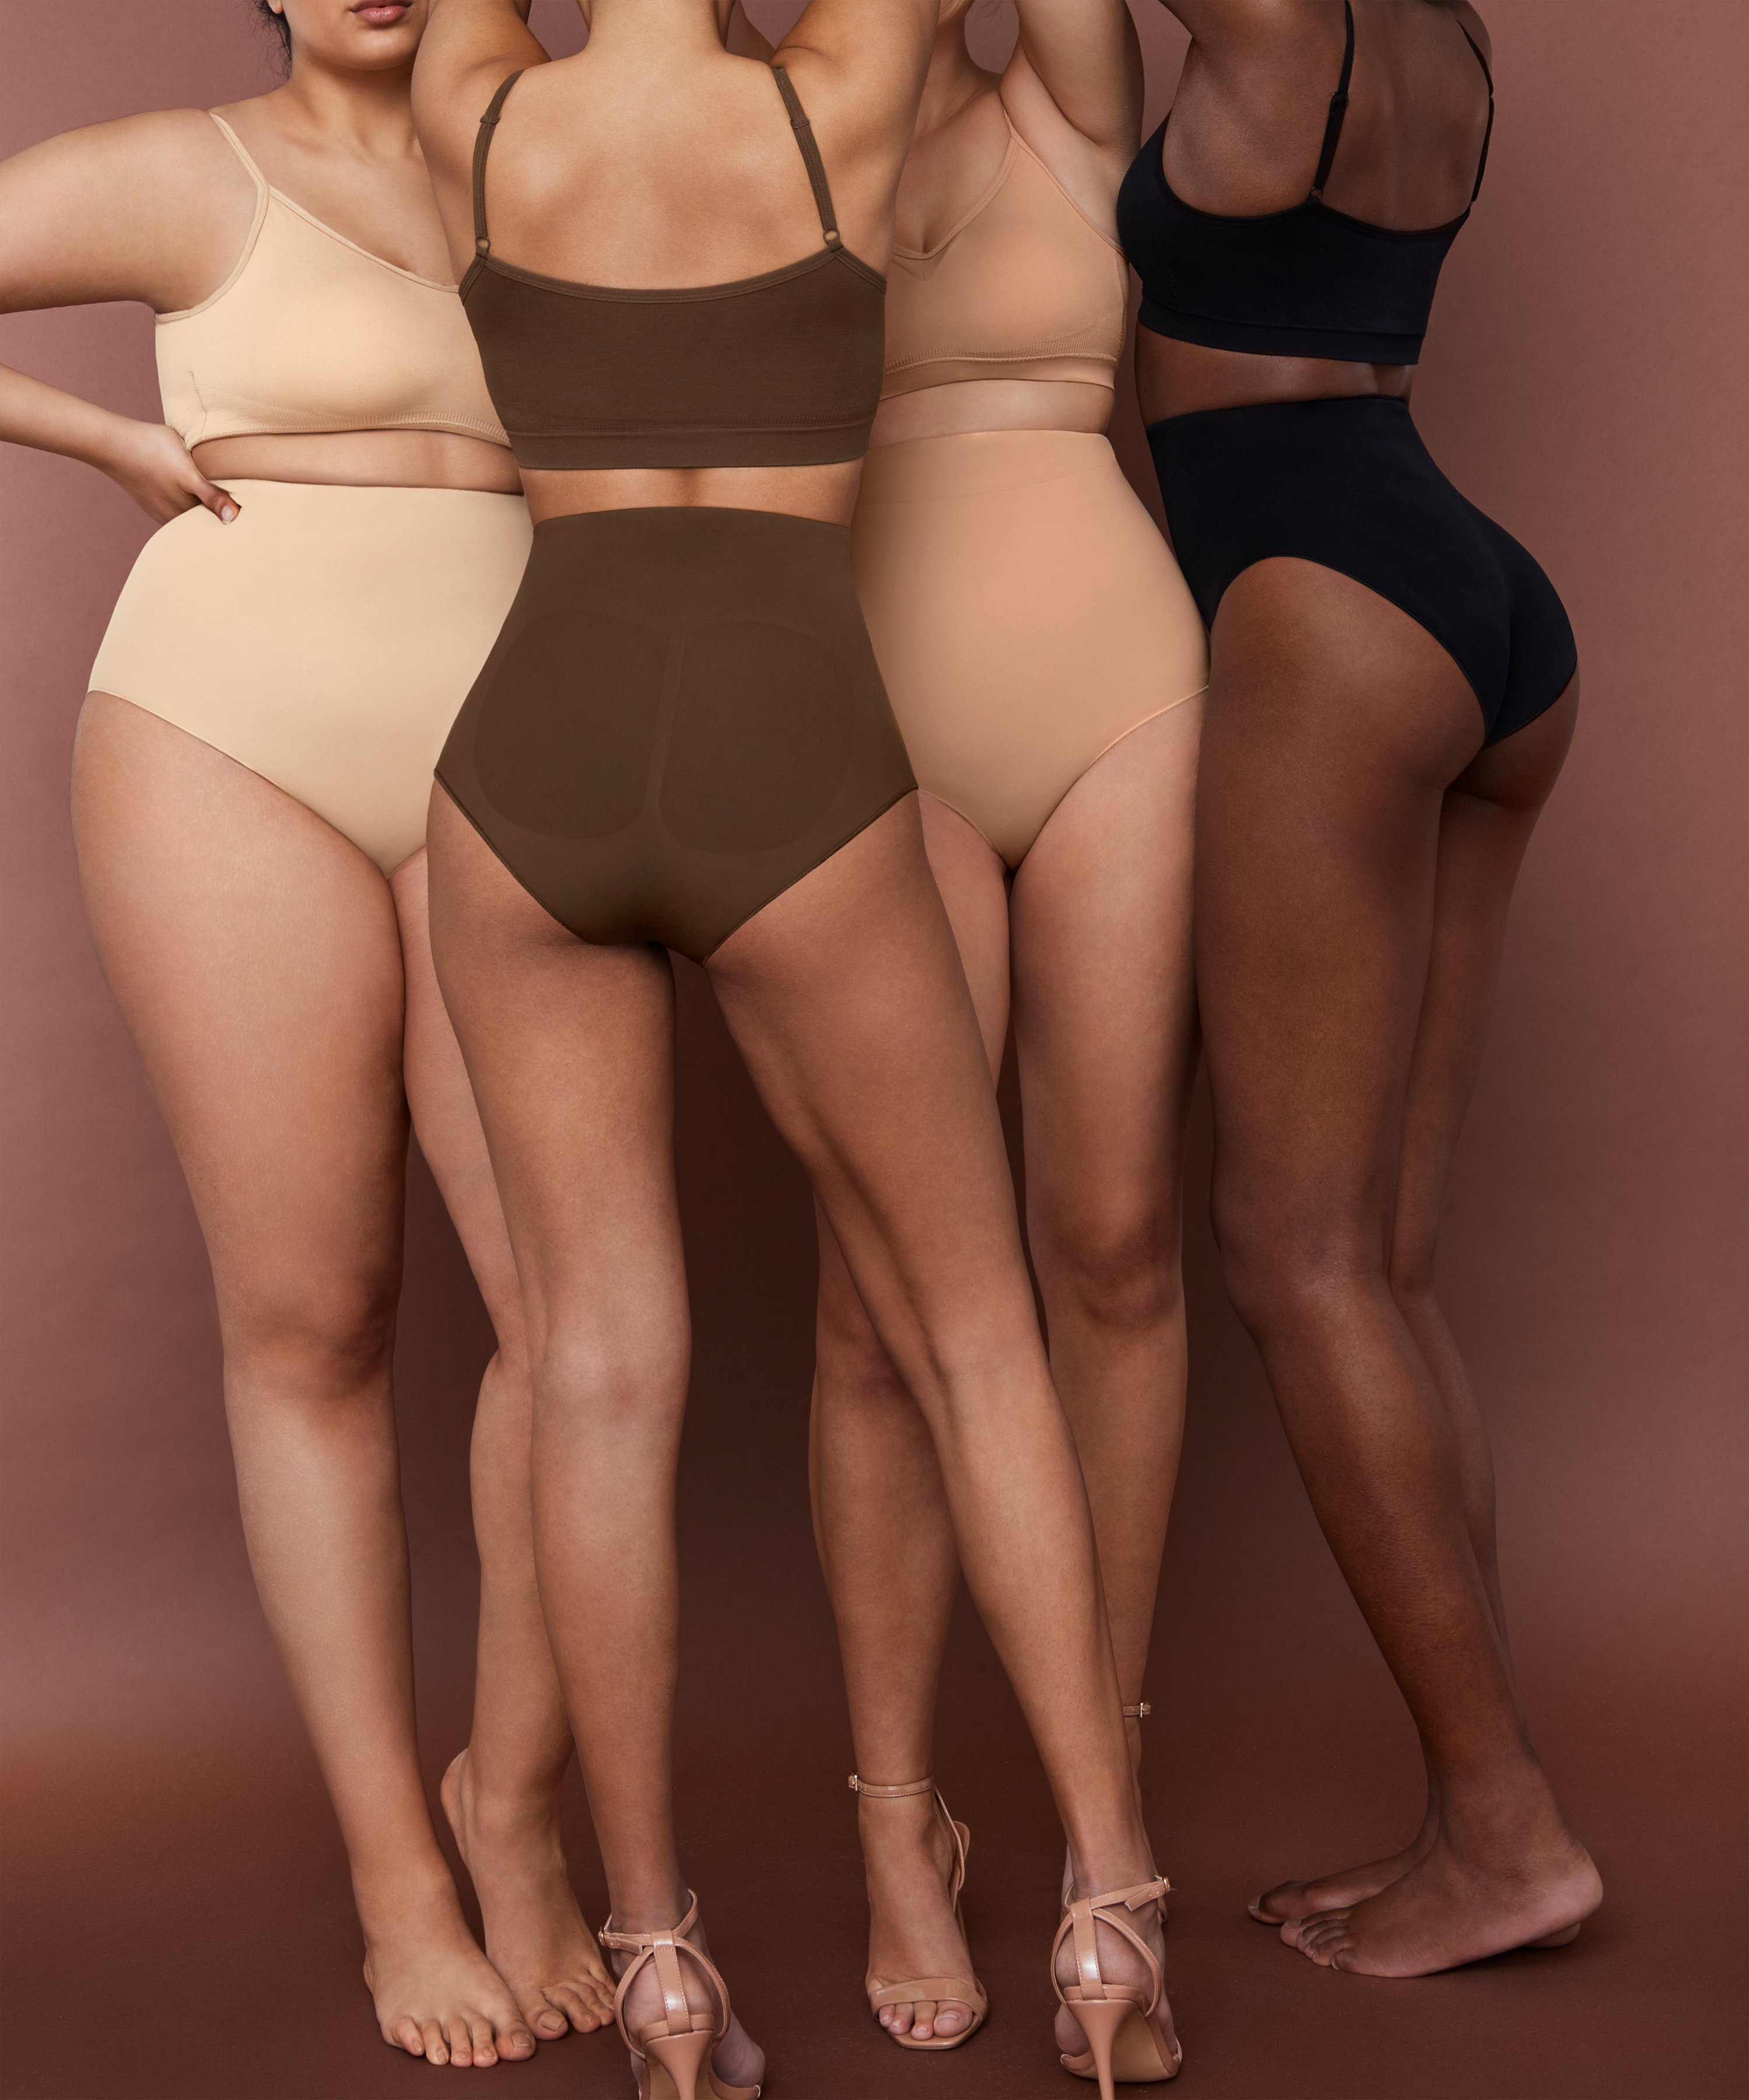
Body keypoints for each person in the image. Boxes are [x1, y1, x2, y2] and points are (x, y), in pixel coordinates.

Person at [413, 0, 1179, 2091]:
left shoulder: (475, 105)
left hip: (529, 757)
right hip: (789, 748)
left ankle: (657, 1960)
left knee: (594, 1367)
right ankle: (1109, 1912)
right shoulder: (845, 91)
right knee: (978, 1337)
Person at [0, 0, 619, 2065]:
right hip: (224, 742)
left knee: (583, 1321)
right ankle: (397, 1882)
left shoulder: (547, 154)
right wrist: (104, 441)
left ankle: (512, 1802)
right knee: (313, 1321)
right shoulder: (188, 168)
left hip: (516, 746)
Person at [735, 0, 1205, 2054]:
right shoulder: (749, 122)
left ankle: (1109, 1827)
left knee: (1113, 1243)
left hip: (1121, 693)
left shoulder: (1069, 90)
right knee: (880, 1303)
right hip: (867, 712)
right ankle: (896, 1821)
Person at [1117, 0, 1601, 1975]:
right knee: (1386, 1265)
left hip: (1324, 596)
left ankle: (1506, 1831)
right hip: (1479, 594)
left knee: (1297, 1258)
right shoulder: (1443, 29)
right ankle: (1482, 1808)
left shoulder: (1269, 16)